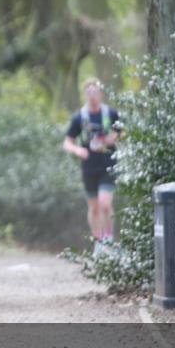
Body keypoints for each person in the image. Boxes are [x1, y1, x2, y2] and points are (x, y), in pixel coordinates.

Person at [62, 78, 123, 252]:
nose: (93, 96)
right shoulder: (79, 117)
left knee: (105, 203)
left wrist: (114, 138)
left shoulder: (110, 113)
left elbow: (123, 132)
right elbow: (67, 143)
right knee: (94, 207)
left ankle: (109, 240)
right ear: (85, 95)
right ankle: (98, 242)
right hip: (89, 166)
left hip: (108, 164)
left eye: (95, 92)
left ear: (100, 93)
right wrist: (77, 151)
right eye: (89, 93)